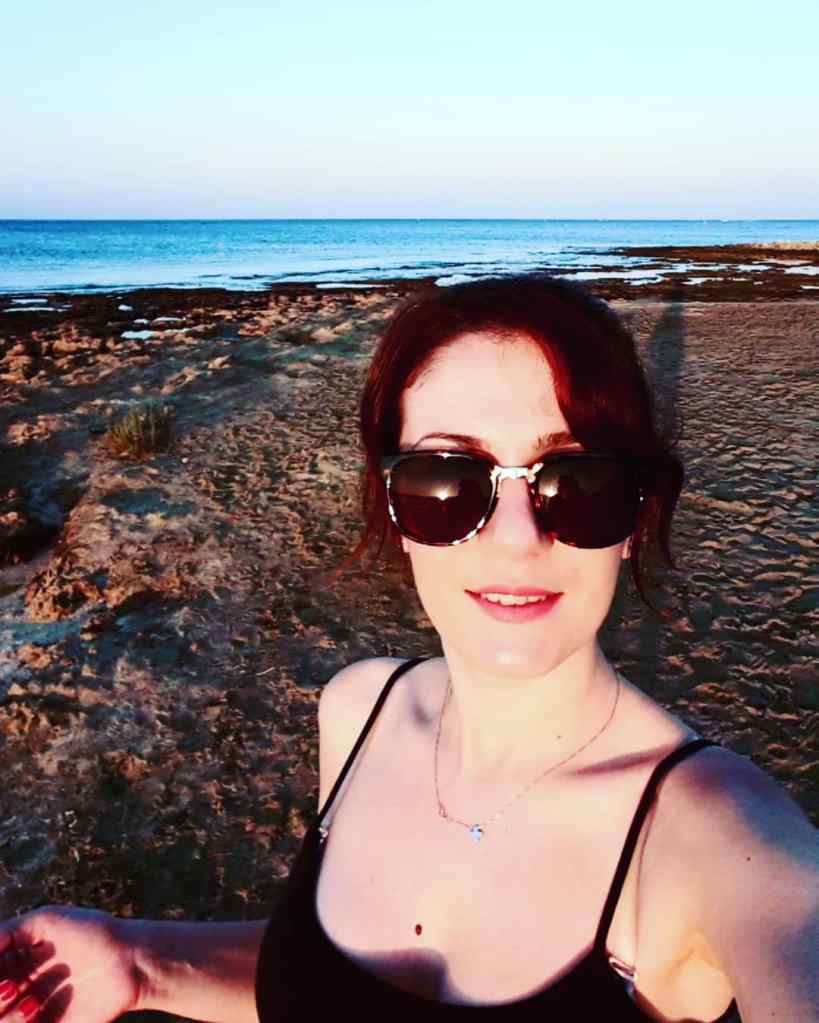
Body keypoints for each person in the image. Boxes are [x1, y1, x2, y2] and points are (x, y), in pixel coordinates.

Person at [1, 275, 817, 1023]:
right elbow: (326, 987)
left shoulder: (710, 832)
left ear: (636, 516)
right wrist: (141, 961)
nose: (515, 538)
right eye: (444, 481)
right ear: (391, 506)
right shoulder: (360, 709)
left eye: (576, 480)